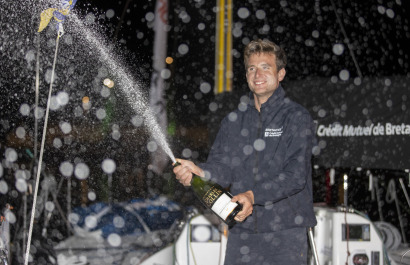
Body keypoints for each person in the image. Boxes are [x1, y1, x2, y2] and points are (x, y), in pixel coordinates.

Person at [173, 39, 317, 265]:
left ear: (281, 74)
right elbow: (222, 167)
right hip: (242, 231)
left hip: (286, 232)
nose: (257, 74)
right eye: (252, 68)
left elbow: (295, 176)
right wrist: (199, 172)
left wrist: (253, 196)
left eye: (265, 67)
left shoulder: (296, 117)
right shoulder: (233, 121)